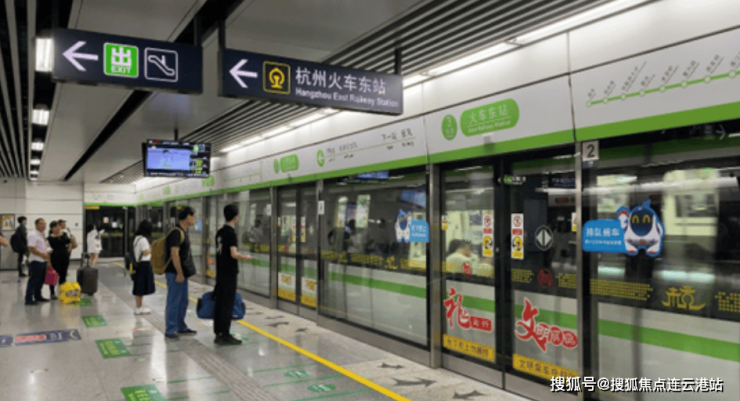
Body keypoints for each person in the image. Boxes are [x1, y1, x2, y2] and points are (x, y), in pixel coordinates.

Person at [214, 204, 252, 345]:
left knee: (219, 302)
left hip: (220, 272)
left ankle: (218, 333)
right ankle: (225, 335)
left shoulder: (219, 232)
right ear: (236, 217)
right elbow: (233, 253)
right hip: (229, 274)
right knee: (227, 303)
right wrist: (245, 257)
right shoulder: (231, 233)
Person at [164, 206, 197, 339]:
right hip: (175, 273)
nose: (194, 219)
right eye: (193, 216)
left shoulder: (184, 231)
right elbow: (174, 253)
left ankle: (180, 326)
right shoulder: (176, 232)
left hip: (181, 273)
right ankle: (170, 329)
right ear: (187, 217)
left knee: (183, 301)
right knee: (174, 301)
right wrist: (179, 272)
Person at [26, 218, 51, 305]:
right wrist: (42, 255)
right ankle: (29, 299)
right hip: (36, 261)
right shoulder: (33, 234)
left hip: (43, 261)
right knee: (34, 280)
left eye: (45, 224)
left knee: (41, 280)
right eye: (41, 224)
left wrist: (47, 259)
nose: (44, 226)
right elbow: (31, 248)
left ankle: (38, 296)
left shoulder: (42, 234)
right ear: (36, 225)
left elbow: (45, 247)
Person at [132, 220, 155, 315]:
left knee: (139, 286)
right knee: (141, 287)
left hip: (139, 264)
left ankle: (139, 306)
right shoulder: (143, 240)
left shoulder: (137, 238)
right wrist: (152, 249)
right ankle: (138, 308)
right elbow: (145, 251)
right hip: (144, 264)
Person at [47, 221, 72, 300]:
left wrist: (69, 251)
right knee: (53, 275)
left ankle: (62, 292)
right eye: (55, 227)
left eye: (58, 226)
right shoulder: (49, 238)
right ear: (52, 228)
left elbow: (70, 242)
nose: (58, 228)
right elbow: (47, 250)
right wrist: (48, 261)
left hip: (64, 257)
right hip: (54, 257)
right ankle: (52, 293)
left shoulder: (64, 235)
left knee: (63, 275)